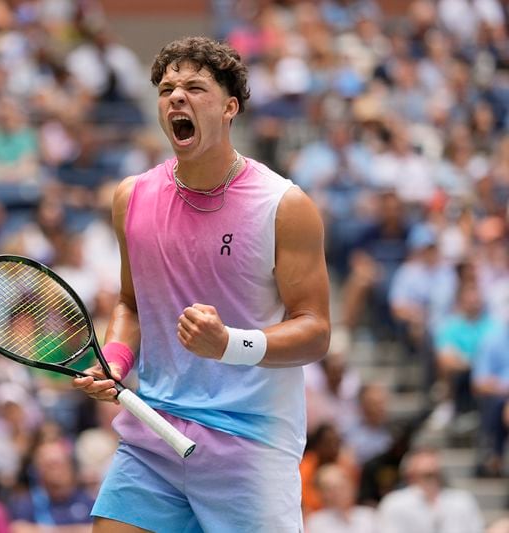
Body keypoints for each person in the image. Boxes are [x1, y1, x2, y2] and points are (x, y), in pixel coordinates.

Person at [72, 36, 330, 531]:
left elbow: (315, 329)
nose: (176, 97)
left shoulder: (284, 205)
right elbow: (130, 302)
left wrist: (229, 344)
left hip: (249, 443)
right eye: (167, 89)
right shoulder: (132, 197)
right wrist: (117, 360)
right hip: (155, 428)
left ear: (230, 107)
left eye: (194, 87)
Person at [377, 447, 483, 533]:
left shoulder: (462, 500)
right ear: (410, 475)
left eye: (434, 474)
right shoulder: (395, 503)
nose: (430, 481)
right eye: (426, 475)